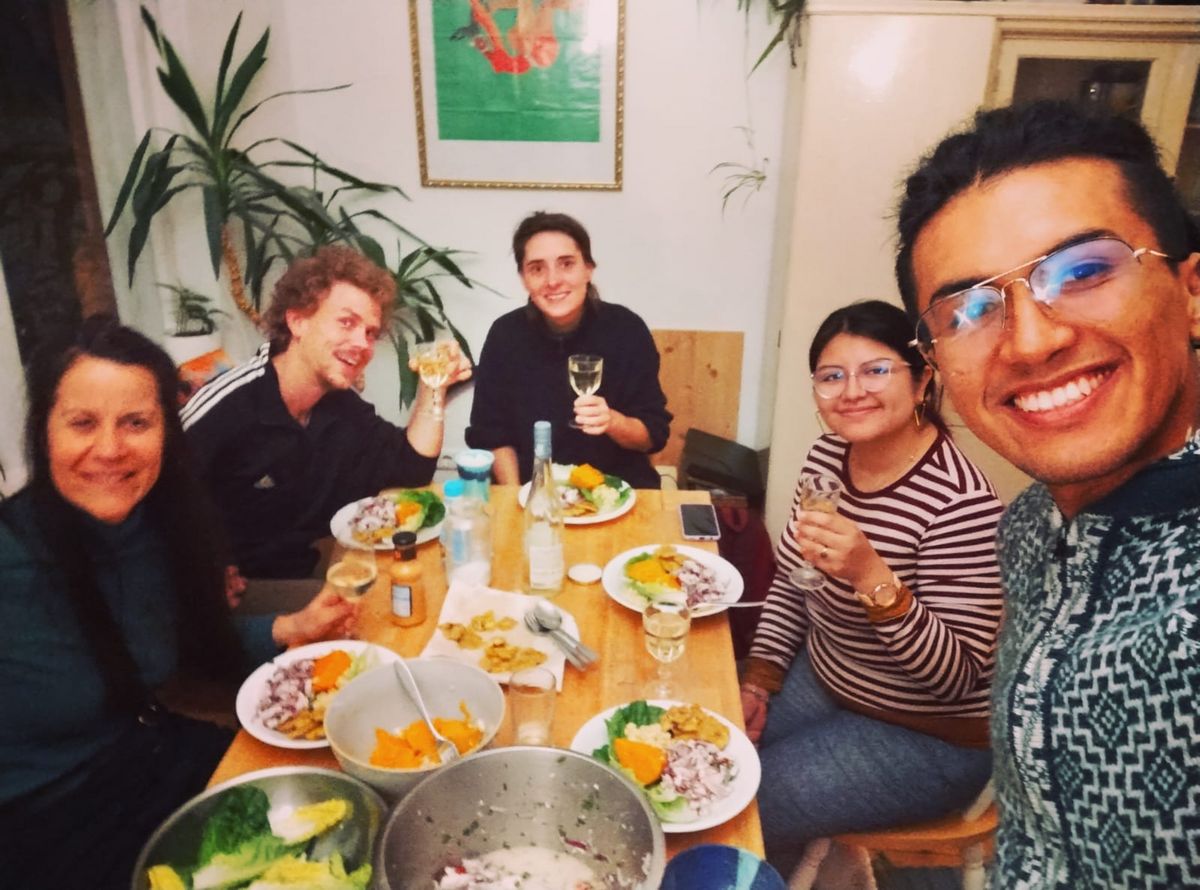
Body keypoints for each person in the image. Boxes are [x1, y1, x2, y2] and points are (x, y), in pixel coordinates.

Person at [895, 100, 1200, 889]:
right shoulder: (1030, 524)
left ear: (1191, 292)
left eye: (1085, 270)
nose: (1032, 339)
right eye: (972, 309)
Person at [0, 318, 354, 888]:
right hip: (41, 830)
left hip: (151, 759)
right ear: (43, 432)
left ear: (167, 431)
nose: (110, 449)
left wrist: (291, 626)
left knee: (349, 789)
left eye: (136, 422)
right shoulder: (11, 555)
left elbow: (181, 646)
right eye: (82, 423)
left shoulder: (160, 527)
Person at [740, 300, 1004, 877]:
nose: (851, 391)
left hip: (926, 732)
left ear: (922, 380)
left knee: (749, 801)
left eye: (876, 370)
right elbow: (793, 579)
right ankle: (776, 864)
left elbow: (953, 676)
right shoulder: (829, 455)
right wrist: (759, 678)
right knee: (718, 753)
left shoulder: (961, 503)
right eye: (832, 377)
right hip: (834, 675)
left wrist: (871, 576)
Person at [183, 244, 471, 578]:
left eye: (370, 332)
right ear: (297, 321)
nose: (363, 344)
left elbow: (410, 468)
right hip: (240, 592)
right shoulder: (229, 406)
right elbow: (155, 506)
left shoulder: (339, 404)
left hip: (308, 569)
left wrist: (432, 388)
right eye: (346, 322)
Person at [466, 211, 671, 489]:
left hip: (619, 492)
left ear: (588, 268)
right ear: (523, 277)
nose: (552, 281)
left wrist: (613, 421)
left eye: (566, 264)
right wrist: (519, 499)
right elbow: (491, 435)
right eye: (537, 268)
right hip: (532, 488)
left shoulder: (626, 330)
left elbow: (653, 436)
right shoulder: (505, 335)